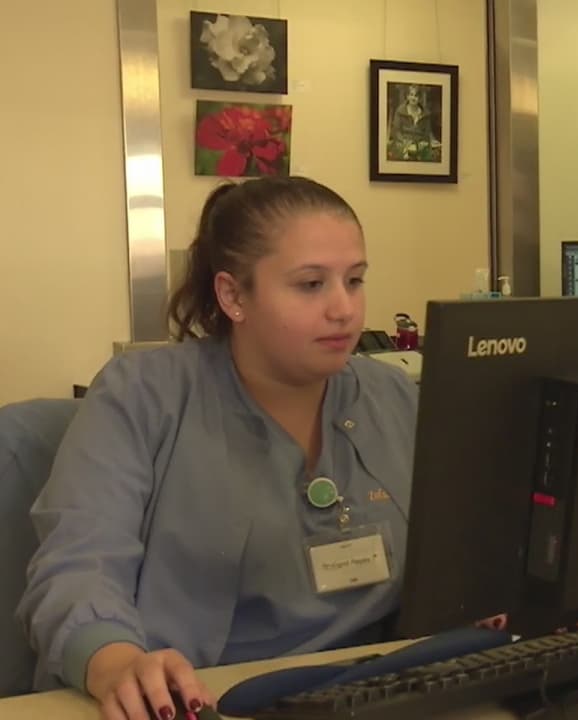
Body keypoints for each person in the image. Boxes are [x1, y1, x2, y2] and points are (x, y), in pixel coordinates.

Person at [17, 177, 419, 720]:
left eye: (355, 280)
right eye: (310, 285)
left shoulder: (393, 396)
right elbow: (78, 562)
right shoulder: (143, 394)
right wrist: (116, 662)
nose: (344, 309)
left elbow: (460, 552)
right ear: (233, 296)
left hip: (379, 693)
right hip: (198, 699)